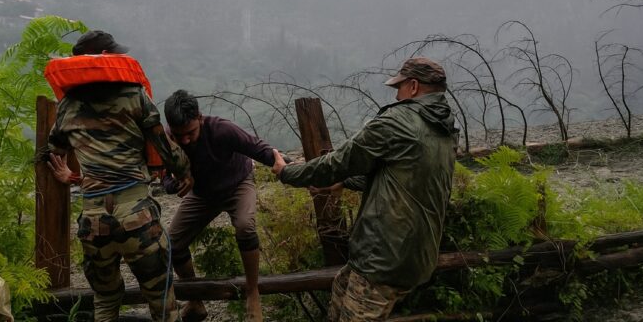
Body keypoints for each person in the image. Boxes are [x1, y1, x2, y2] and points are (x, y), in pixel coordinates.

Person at [271, 57, 458, 322]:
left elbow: (339, 162)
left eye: (399, 87)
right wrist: (345, 183)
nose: (397, 93)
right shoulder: (446, 129)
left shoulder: (399, 121)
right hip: (417, 256)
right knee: (341, 288)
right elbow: (400, 175)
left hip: (383, 258)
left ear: (413, 86)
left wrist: (287, 172)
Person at [47, 30, 193, 322]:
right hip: (136, 216)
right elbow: (163, 147)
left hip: (93, 220)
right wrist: (185, 171)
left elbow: (54, 148)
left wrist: (69, 175)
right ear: (106, 59)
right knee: (162, 301)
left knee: (105, 300)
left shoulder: (68, 105)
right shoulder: (133, 95)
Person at [163, 89, 276, 322]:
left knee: (245, 226)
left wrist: (292, 168)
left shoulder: (222, 130)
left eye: (190, 133)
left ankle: (252, 293)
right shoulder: (166, 140)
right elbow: (164, 179)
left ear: (200, 118)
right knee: (172, 243)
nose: (185, 140)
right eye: (178, 135)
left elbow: (259, 149)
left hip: (237, 184)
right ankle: (195, 300)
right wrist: (177, 183)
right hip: (203, 194)